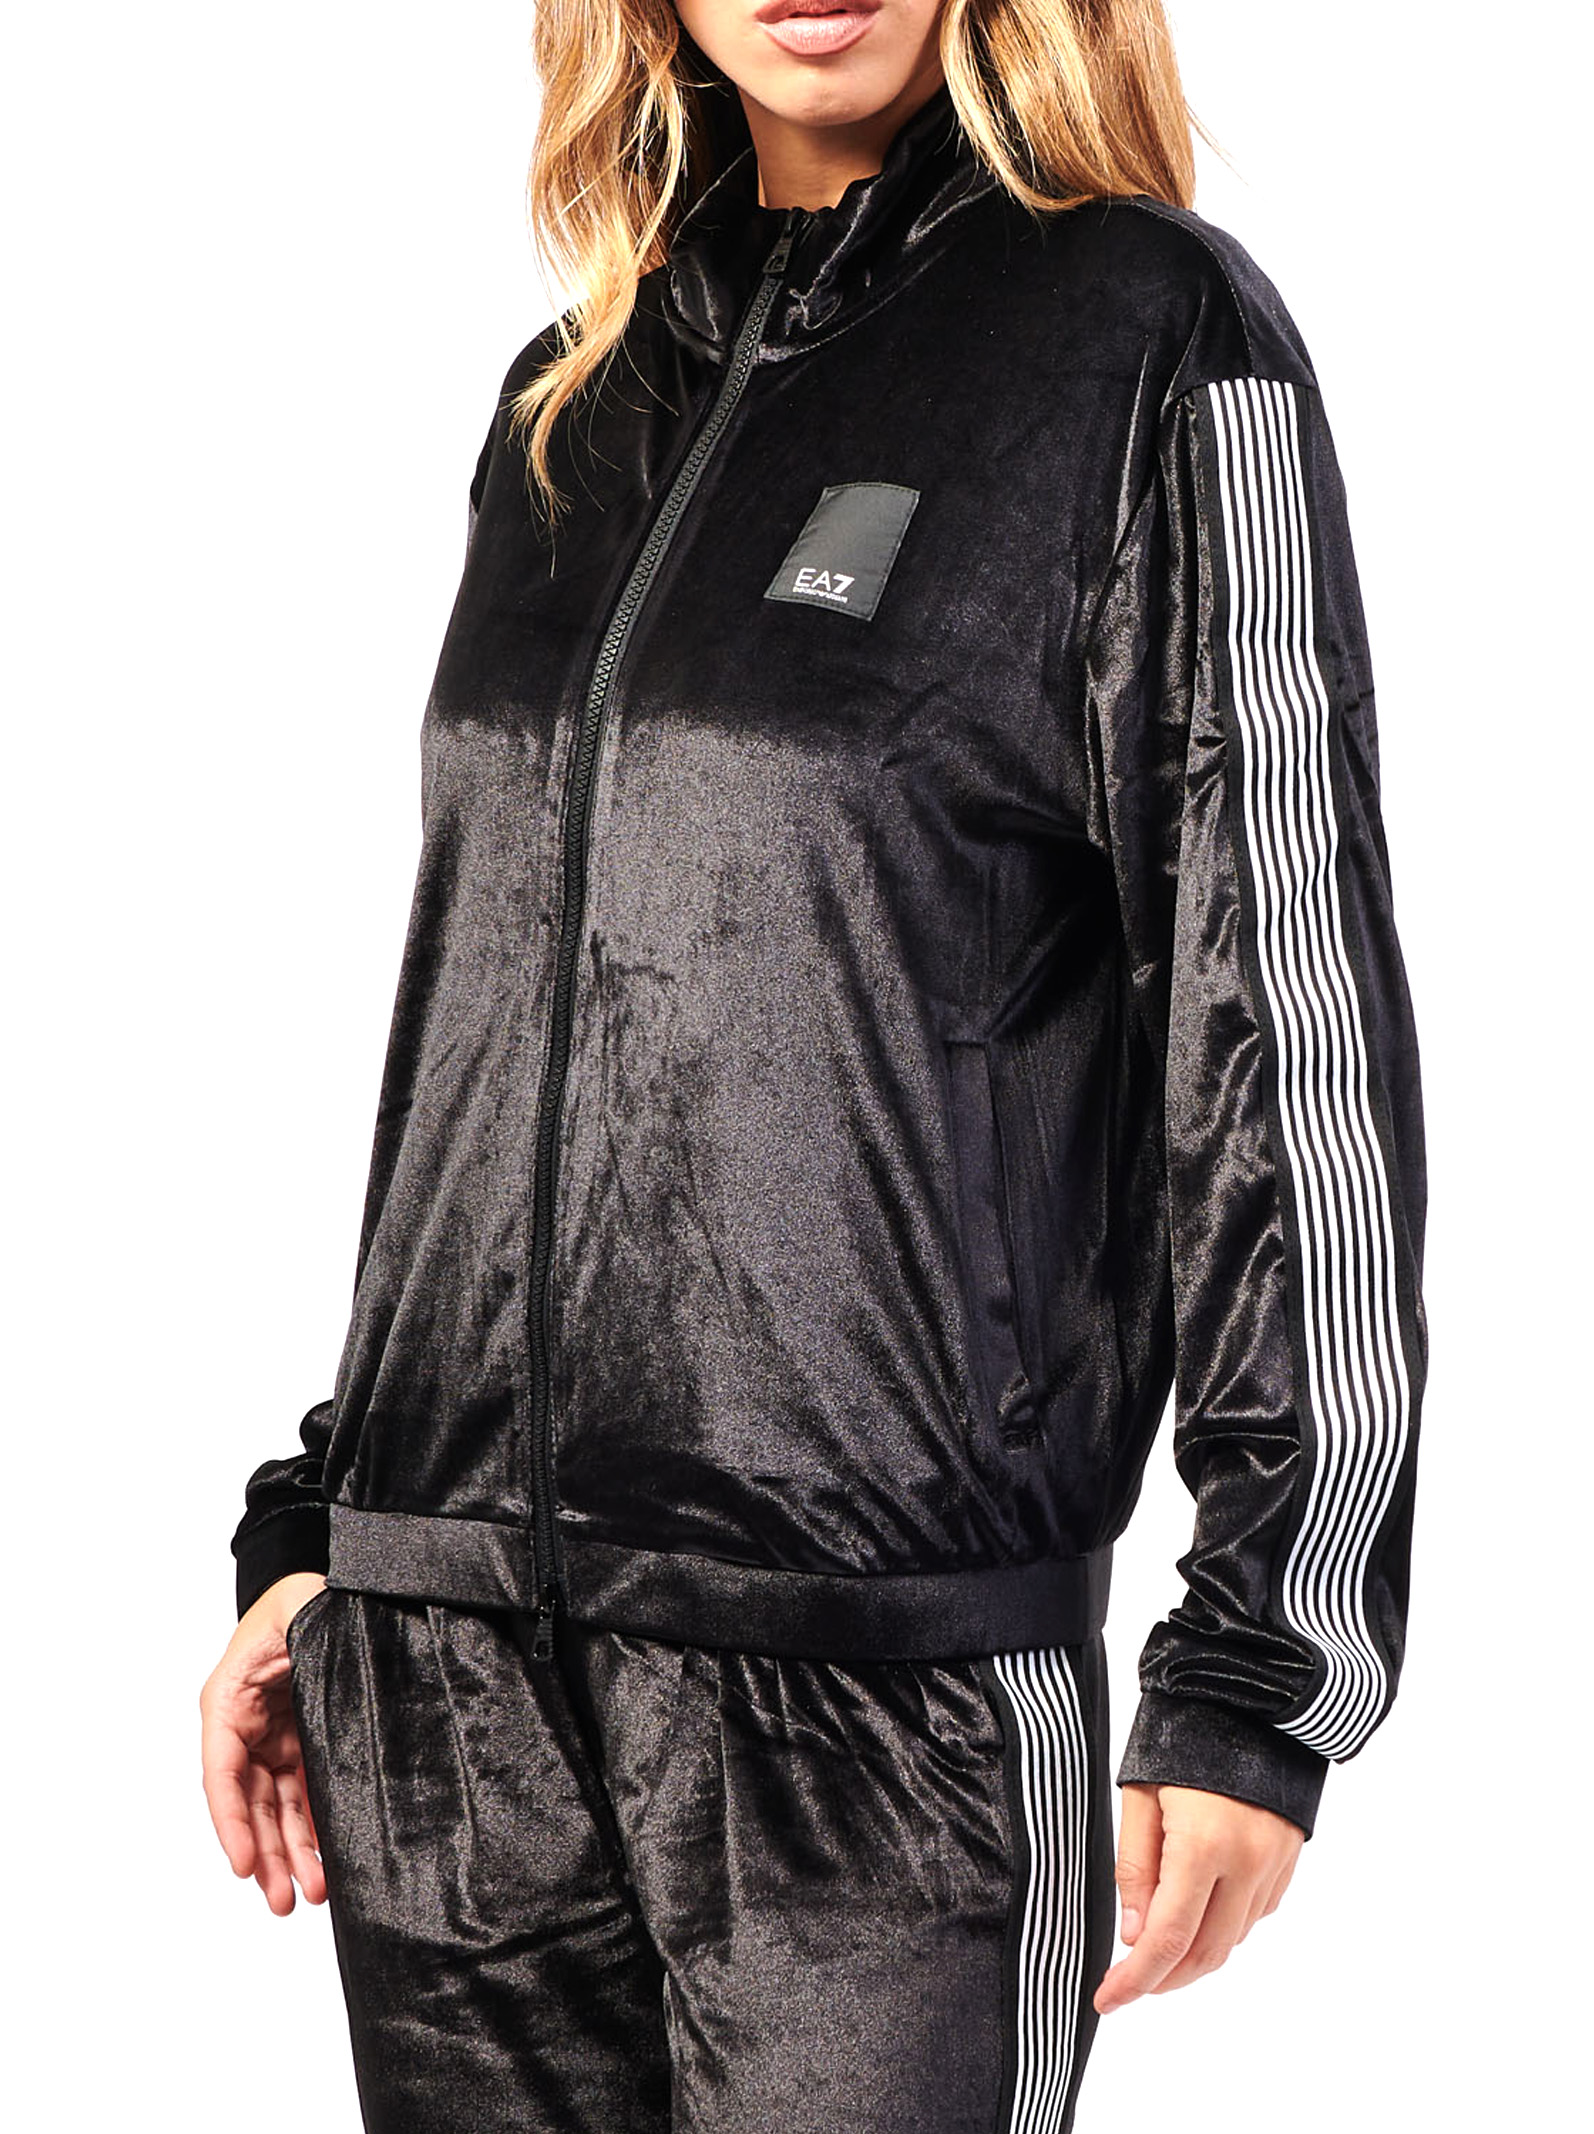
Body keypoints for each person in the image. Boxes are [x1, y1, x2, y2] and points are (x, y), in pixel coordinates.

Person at [199, 3, 1429, 2129]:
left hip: (880, 1706)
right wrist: (327, 1523)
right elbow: (485, 1021)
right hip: (450, 1694)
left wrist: (1262, 1663)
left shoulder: (1146, 343)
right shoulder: (570, 397)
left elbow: (1277, 1020)